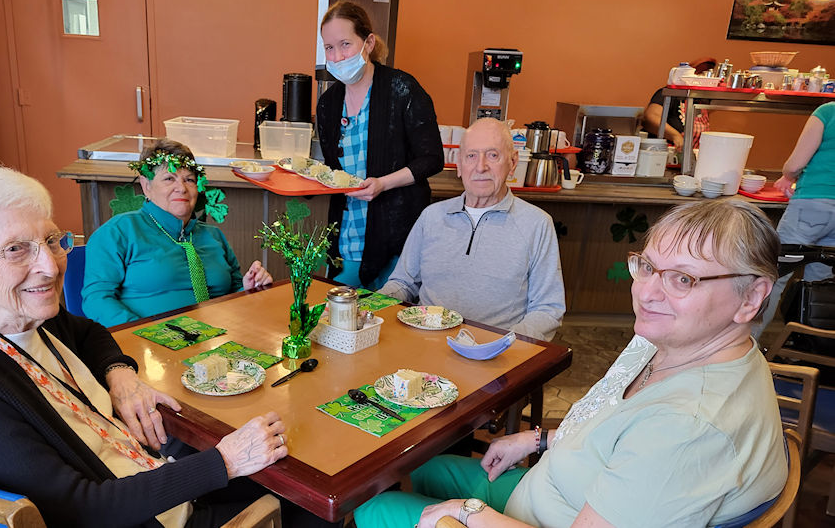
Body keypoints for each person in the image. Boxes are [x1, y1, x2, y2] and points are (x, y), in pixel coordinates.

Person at [0, 164, 333, 527]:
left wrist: (120, 374)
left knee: (294, 465)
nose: (49, 266)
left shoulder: (21, 318)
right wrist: (224, 462)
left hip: (142, 470)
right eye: (16, 249)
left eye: (53, 241)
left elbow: (90, 333)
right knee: (313, 502)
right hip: (136, 515)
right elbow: (82, 509)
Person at [356, 199, 787, 528]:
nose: (648, 293)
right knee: (425, 467)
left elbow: (654, 444)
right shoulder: (672, 341)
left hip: (553, 515)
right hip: (555, 488)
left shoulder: (688, 428)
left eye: (683, 279)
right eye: (649, 267)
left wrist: (470, 513)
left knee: (375, 504)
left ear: (751, 298)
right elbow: (618, 429)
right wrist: (538, 441)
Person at [379, 118, 565, 341]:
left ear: (513, 162)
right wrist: (369, 305)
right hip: (423, 343)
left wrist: (504, 344)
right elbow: (403, 283)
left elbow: (548, 308)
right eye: (471, 156)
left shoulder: (537, 224)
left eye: (493, 155)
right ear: (459, 164)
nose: (480, 166)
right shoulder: (432, 216)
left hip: (495, 354)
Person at [316, 0, 443, 290]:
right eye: (329, 47)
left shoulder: (402, 89)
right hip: (347, 237)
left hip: (397, 235)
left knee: (389, 321)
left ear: (369, 42)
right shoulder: (328, 104)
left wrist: (383, 183)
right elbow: (334, 169)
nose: (337, 57)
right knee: (339, 320)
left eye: (345, 44)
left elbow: (431, 158)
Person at [82, 139, 272, 327]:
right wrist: (144, 334)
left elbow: (234, 294)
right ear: (146, 186)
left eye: (189, 179)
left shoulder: (214, 236)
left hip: (219, 339)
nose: (181, 188)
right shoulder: (118, 232)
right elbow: (96, 300)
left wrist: (249, 289)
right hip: (150, 347)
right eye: (169, 179)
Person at [755, 102, 835, 336]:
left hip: (813, 204)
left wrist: (787, 176)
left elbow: (796, 163)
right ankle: (807, 347)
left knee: (774, 274)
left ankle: (748, 346)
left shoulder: (827, 111)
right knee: (818, 281)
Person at [642, 57, 716, 150]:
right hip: (667, 152)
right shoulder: (670, 94)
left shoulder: (703, 100)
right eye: (698, 74)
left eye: (705, 74)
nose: (701, 77)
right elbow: (650, 118)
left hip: (692, 154)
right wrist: (675, 136)